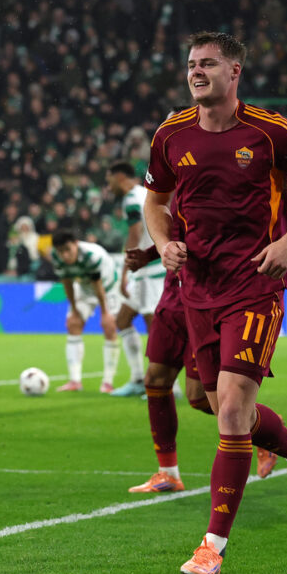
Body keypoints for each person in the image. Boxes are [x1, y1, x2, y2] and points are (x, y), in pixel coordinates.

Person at [143, 32, 287, 574]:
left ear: (235, 72)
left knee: (230, 409)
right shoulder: (170, 133)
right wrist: (163, 245)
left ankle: (212, 546)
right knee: (212, 405)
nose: (196, 72)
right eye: (190, 64)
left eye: (208, 64)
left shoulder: (272, 133)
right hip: (197, 292)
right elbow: (154, 201)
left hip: (255, 284)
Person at [125, 242, 279, 494]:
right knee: (155, 379)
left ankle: (262, 426)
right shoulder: (169, 201)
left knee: (198, 397)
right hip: (172, 300)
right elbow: (173, 229)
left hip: (204, 303)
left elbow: (203, 231)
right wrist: (149, 254)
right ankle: (168, 474)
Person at [106, 161, 168, 398]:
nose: (108, 185)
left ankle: (167, 384)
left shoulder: (132, 199)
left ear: (120, 177)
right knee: (122, 320)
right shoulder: (145, 193)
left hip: (148, 273)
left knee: (155, 327)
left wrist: (124, 270)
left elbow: (135, 233)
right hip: (148, 270)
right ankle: (137, 379)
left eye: (109, 179)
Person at [49, 230, 121, 393]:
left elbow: (98, 285)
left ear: (76, 244)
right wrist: (74, 309)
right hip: (83, 287)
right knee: (73, 324)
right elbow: (66, 282)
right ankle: (75, 381)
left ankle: (107, 383)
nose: (65, 255)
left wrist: (104, 313)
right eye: (61, 252)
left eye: (68, 249)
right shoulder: (55, 257)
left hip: (108, 289)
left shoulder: (91, 256)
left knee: (109, 327)